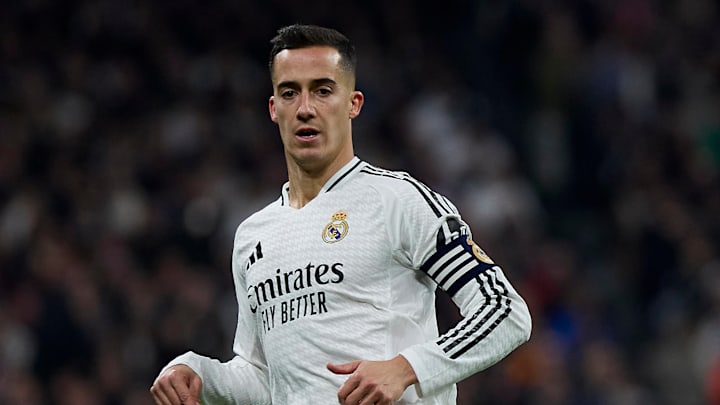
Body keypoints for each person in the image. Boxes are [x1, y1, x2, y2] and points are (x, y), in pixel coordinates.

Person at [150, 24, 532, 405]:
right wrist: (198, 373)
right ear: (273, 108)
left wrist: (405, 368)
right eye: (289, 93)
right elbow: (266, 379)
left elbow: (504, 311)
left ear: (353, 103)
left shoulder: (398, 201)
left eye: (322, 91)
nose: (305, 109)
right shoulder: (252, 236)